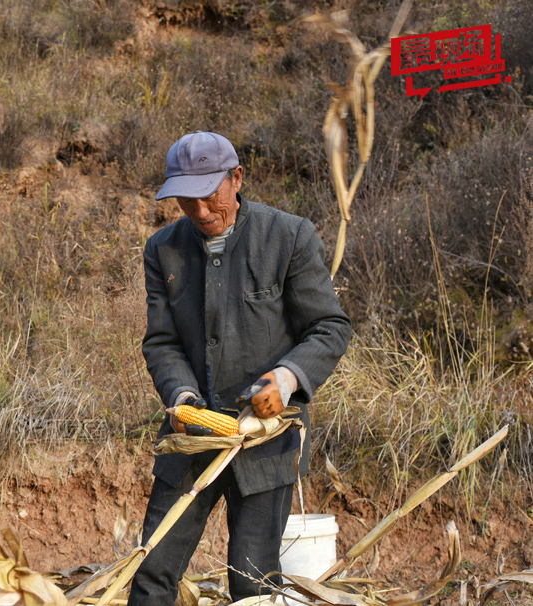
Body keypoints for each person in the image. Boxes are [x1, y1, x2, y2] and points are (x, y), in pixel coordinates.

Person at [129, 131, 351, 604]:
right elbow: (163, 342)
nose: (202, 213)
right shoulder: (163, 250)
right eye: (187, 202)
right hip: (193, 439)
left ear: (237, 178)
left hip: (265, 442)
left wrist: (287, 379)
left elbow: (330, 327)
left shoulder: (288, 236)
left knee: (252, 583)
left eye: (210, 197)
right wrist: (183, 400)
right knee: (152, 570)